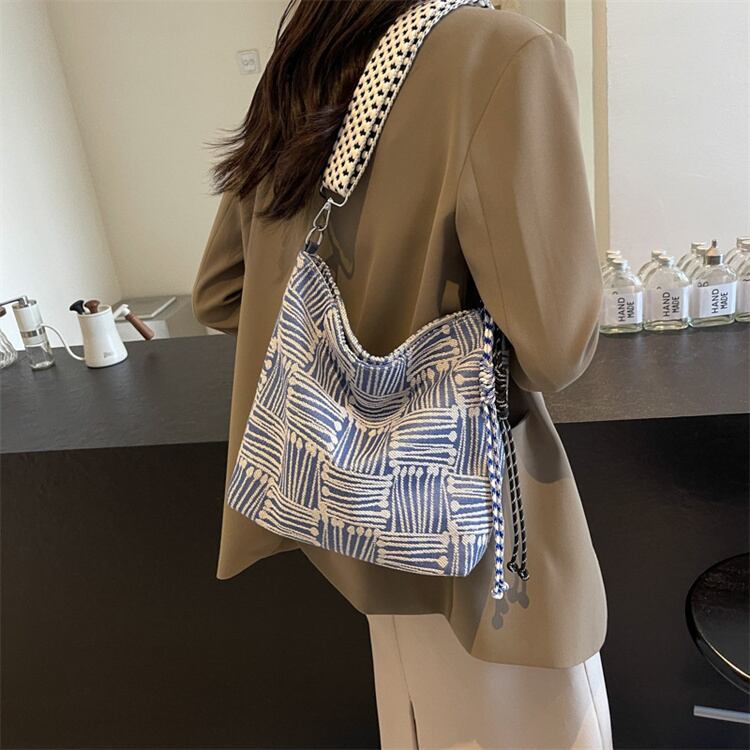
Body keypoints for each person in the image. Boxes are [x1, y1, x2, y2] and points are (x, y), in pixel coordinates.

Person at [192, 1, 612, 747]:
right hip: (477, 544)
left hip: (353, 531)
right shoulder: (504, 53)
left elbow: (224, 293)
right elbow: (555, 350)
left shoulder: (309, 55)